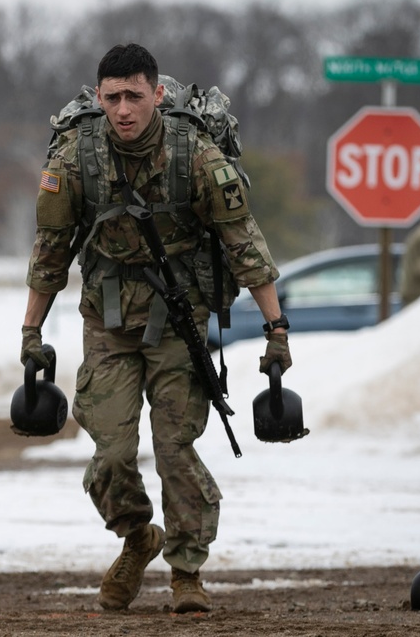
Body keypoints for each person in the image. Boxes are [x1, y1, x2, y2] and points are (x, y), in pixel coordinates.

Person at [20, 43, 290, 614]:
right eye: (112, 97)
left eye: (134, 96)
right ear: (98, 97)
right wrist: (30, 333)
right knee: (112, 452)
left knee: (174, 448)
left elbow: (246, 245)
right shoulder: (74, 158)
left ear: (157, 95)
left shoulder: (195, 155)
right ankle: (138, 536)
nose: (123, 109)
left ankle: (187, 572)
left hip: (179, 321)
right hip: (108, 321)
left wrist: (276, 330)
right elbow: (50, 253)